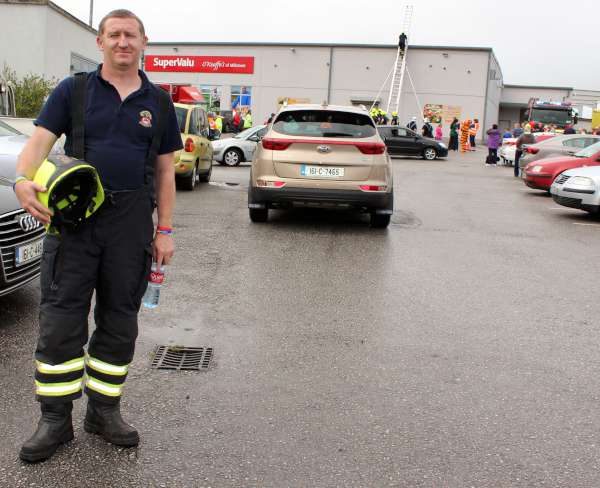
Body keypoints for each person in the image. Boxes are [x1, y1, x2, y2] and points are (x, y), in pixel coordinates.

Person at [15, 9, 182, 463]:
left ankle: (104, 412)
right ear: (100, 42)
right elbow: (38, 143)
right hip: (75, 223)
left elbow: (166, 172)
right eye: (114, 34)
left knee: (120, 320)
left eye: (130, 35)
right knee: (60, 320)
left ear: (144, 42)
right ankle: (55, 420)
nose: (122, 41)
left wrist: (164, 230)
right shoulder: (74, 90)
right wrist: (21, 180)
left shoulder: (160, 103)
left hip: (131, 228)